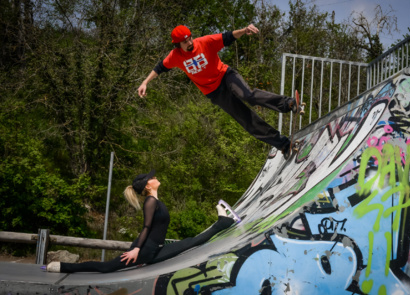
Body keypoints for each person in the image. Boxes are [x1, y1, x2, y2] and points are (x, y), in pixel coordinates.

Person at [137, 24, 299, 159]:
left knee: (247, 95)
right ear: (177, 45)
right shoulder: (175, 56)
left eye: (189, 38)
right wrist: (145, 82)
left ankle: (288, 103)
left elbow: (227, 37)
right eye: (184, 42)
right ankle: (283, 144)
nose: (189, 43)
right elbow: (160, 67)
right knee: (246, 120)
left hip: (226, 76)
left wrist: (243, 30)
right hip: (214, 92)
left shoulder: (204, 42)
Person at [45, 169, 238, 273]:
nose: (155, 177)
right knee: (107, 268)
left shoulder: (156, 200)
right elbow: (146, 226)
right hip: (145, 250)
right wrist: (136, 250)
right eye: (152, 177)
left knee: (190, 242)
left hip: (156, 249)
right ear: (148, 184)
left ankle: (223, 221)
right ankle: (62, 267)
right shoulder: (150, 201)